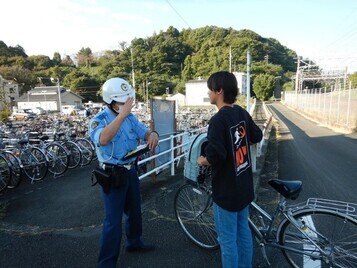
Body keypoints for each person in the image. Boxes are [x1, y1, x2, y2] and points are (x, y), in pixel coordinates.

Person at [89, 77, 159, 268]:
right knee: (112, 220)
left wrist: (151, 135)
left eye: (128, 102)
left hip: (131, 171)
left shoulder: (130, 117)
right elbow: (103, 139)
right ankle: (106, 262)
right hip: (112, 174)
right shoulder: (99, 120)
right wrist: (121, 117)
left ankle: (134, 242)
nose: (127, 106)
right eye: (122, 102)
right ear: (110, 101)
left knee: (135, 211)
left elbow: (143, 131)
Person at [197, 71, 263, 268]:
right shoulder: (241, 112)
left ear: (219, 91)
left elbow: (215, 155)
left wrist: (202, 161)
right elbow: (257, 135)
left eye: (210, 89)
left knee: (227, 241)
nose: (208, 93)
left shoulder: (218, 120)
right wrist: (238, 145)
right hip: (244, 186)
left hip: (226, 191)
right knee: (243, 232)